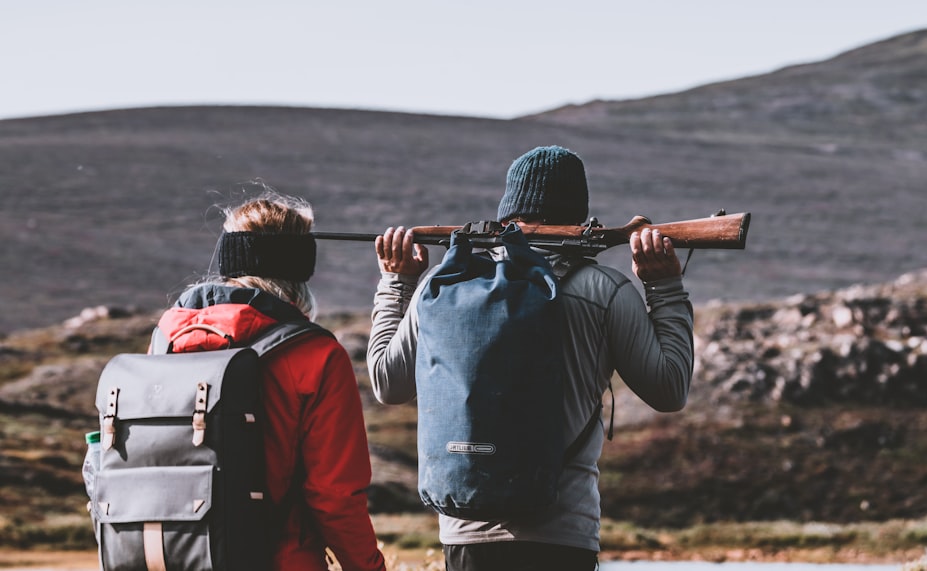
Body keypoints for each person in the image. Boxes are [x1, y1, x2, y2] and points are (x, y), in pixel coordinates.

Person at [367, 145, 694, 571]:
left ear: (505, 218)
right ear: (582, 219)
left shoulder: (446, 286)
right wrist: (665, 287)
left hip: (465, 531)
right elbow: (669, 390)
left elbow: (386, 383)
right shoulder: (605, 290)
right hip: (562, 535)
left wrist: (396, 283)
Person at [154, 190, 386, 571]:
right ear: (300, 271)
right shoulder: (316, 354)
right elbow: (335, 496)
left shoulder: (166, 339)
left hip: (176, 556)